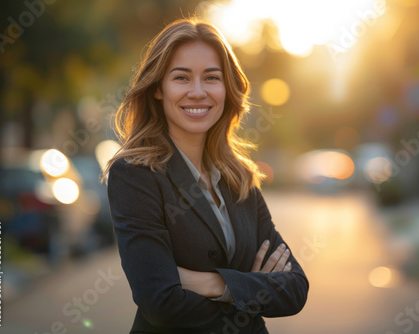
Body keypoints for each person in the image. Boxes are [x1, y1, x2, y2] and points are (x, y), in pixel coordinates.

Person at [104, 17, 309, 333]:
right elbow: (159, 301)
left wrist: (214, 284)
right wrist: (250, 292)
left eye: (211, 78)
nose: (198, 92)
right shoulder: (135, 175)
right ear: (158, 88)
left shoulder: (240, 177)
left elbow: (295, 288)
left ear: (227, 88)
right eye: (182, 78)